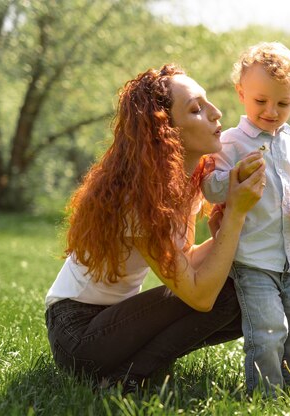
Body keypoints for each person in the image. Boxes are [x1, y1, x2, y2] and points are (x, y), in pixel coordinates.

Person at [44, 64, 266, 393]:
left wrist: (223, 237)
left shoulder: (187, 183)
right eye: (196, 109)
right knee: (226, 295)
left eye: (207, 103)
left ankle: (130, 369)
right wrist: (235, 214)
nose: (216, 113)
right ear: (167, 131)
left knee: (246, 296)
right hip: (78, 333)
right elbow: (200, 297)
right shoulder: (137, 195)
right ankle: (129, 377)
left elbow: (184, 259)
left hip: (116, 321)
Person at [202, 42, 290, 395]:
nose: (272, 111)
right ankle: (265, 394)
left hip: (287, 259)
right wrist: (235, 176)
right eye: (261, 101)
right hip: (252, 258)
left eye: (283, 103)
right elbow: (210, 187)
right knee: (268, 328)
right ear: (241, 93)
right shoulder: (231, 143)